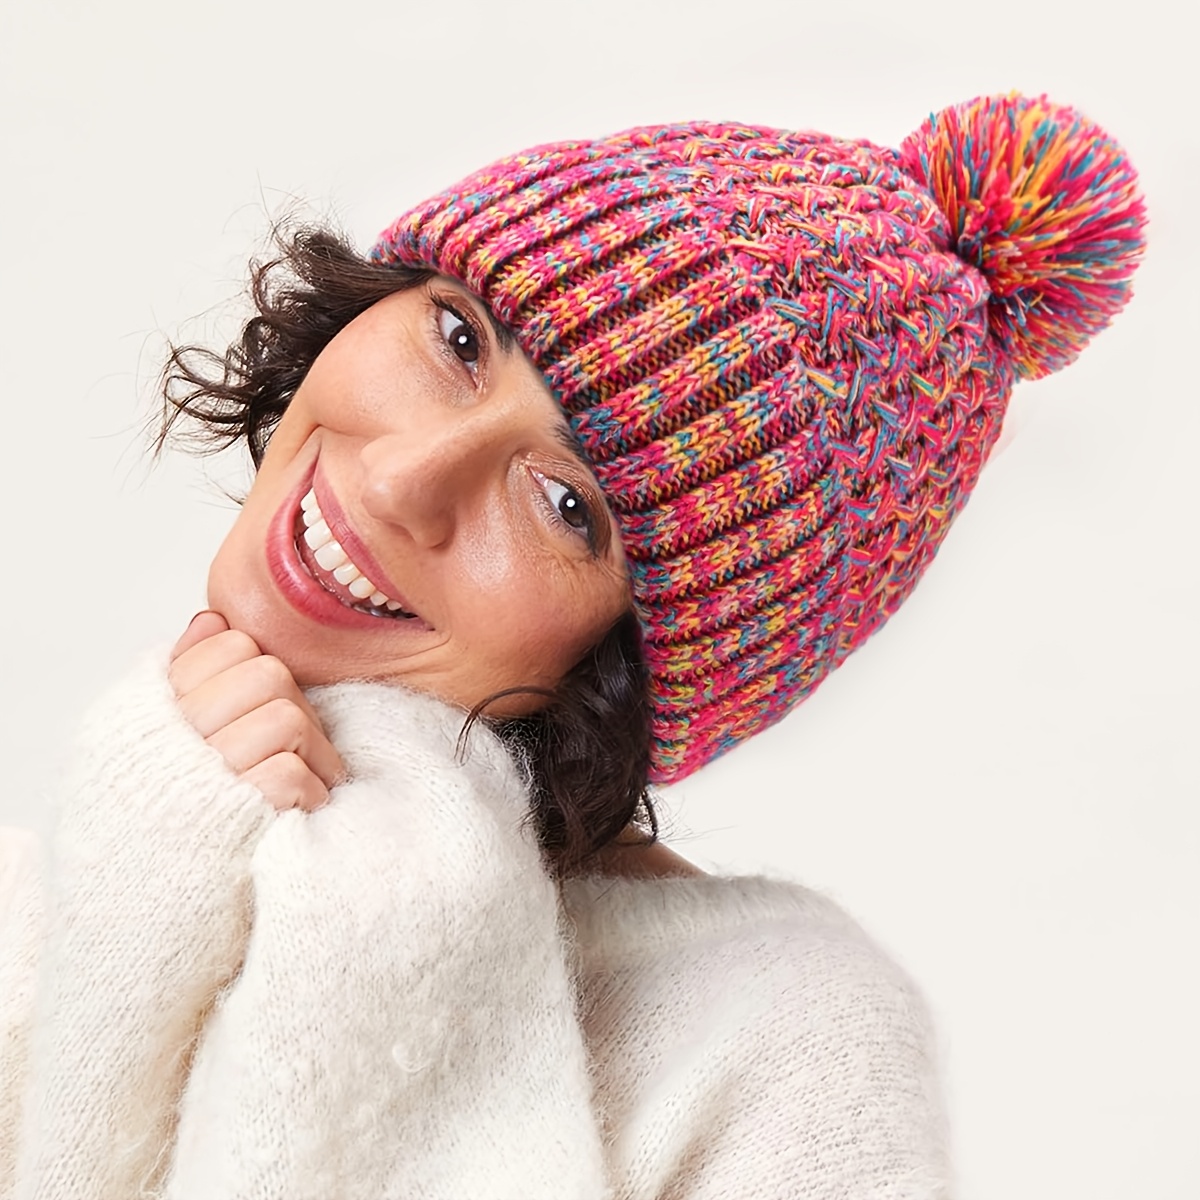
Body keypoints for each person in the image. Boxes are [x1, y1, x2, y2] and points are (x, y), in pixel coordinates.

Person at [0, 92, 1144, 1198]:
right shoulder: (98, 845)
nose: (401, 478)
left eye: (565, 508)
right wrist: (164, 827)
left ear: (635, 669)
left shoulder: (785, 1044)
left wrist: (408, 921)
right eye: (460, 338)